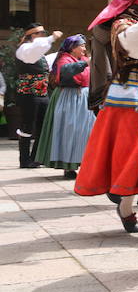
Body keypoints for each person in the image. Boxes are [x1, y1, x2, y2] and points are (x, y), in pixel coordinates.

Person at [76, 0, 138, 233]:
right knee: (131, 156)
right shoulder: (123, 23)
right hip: (130, 101)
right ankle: (126, 208)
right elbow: (132, 47)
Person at [34, 35, 94, 178]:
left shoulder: (84, 60)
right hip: (68, 98)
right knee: (70, 131)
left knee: (86, 132)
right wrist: (85, 64)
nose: (85, 49)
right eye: (82, 46)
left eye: (85, 46)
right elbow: (66, 71)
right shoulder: (64, 59)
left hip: (84, 99)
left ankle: (86, 164)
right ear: (72, 48)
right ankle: (68, 167)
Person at [15, 23, 62, 168]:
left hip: (42, 94)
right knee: (27, 126)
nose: (43, 36)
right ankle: (24, 160)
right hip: (28, 94)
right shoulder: (24, 49)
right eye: (40, 34)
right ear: (32, 35)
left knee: (43, 126)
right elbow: (33, 50)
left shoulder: (40, 54)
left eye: (44, 33)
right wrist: (51, 38)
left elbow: (51, 57)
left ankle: (36, 157)